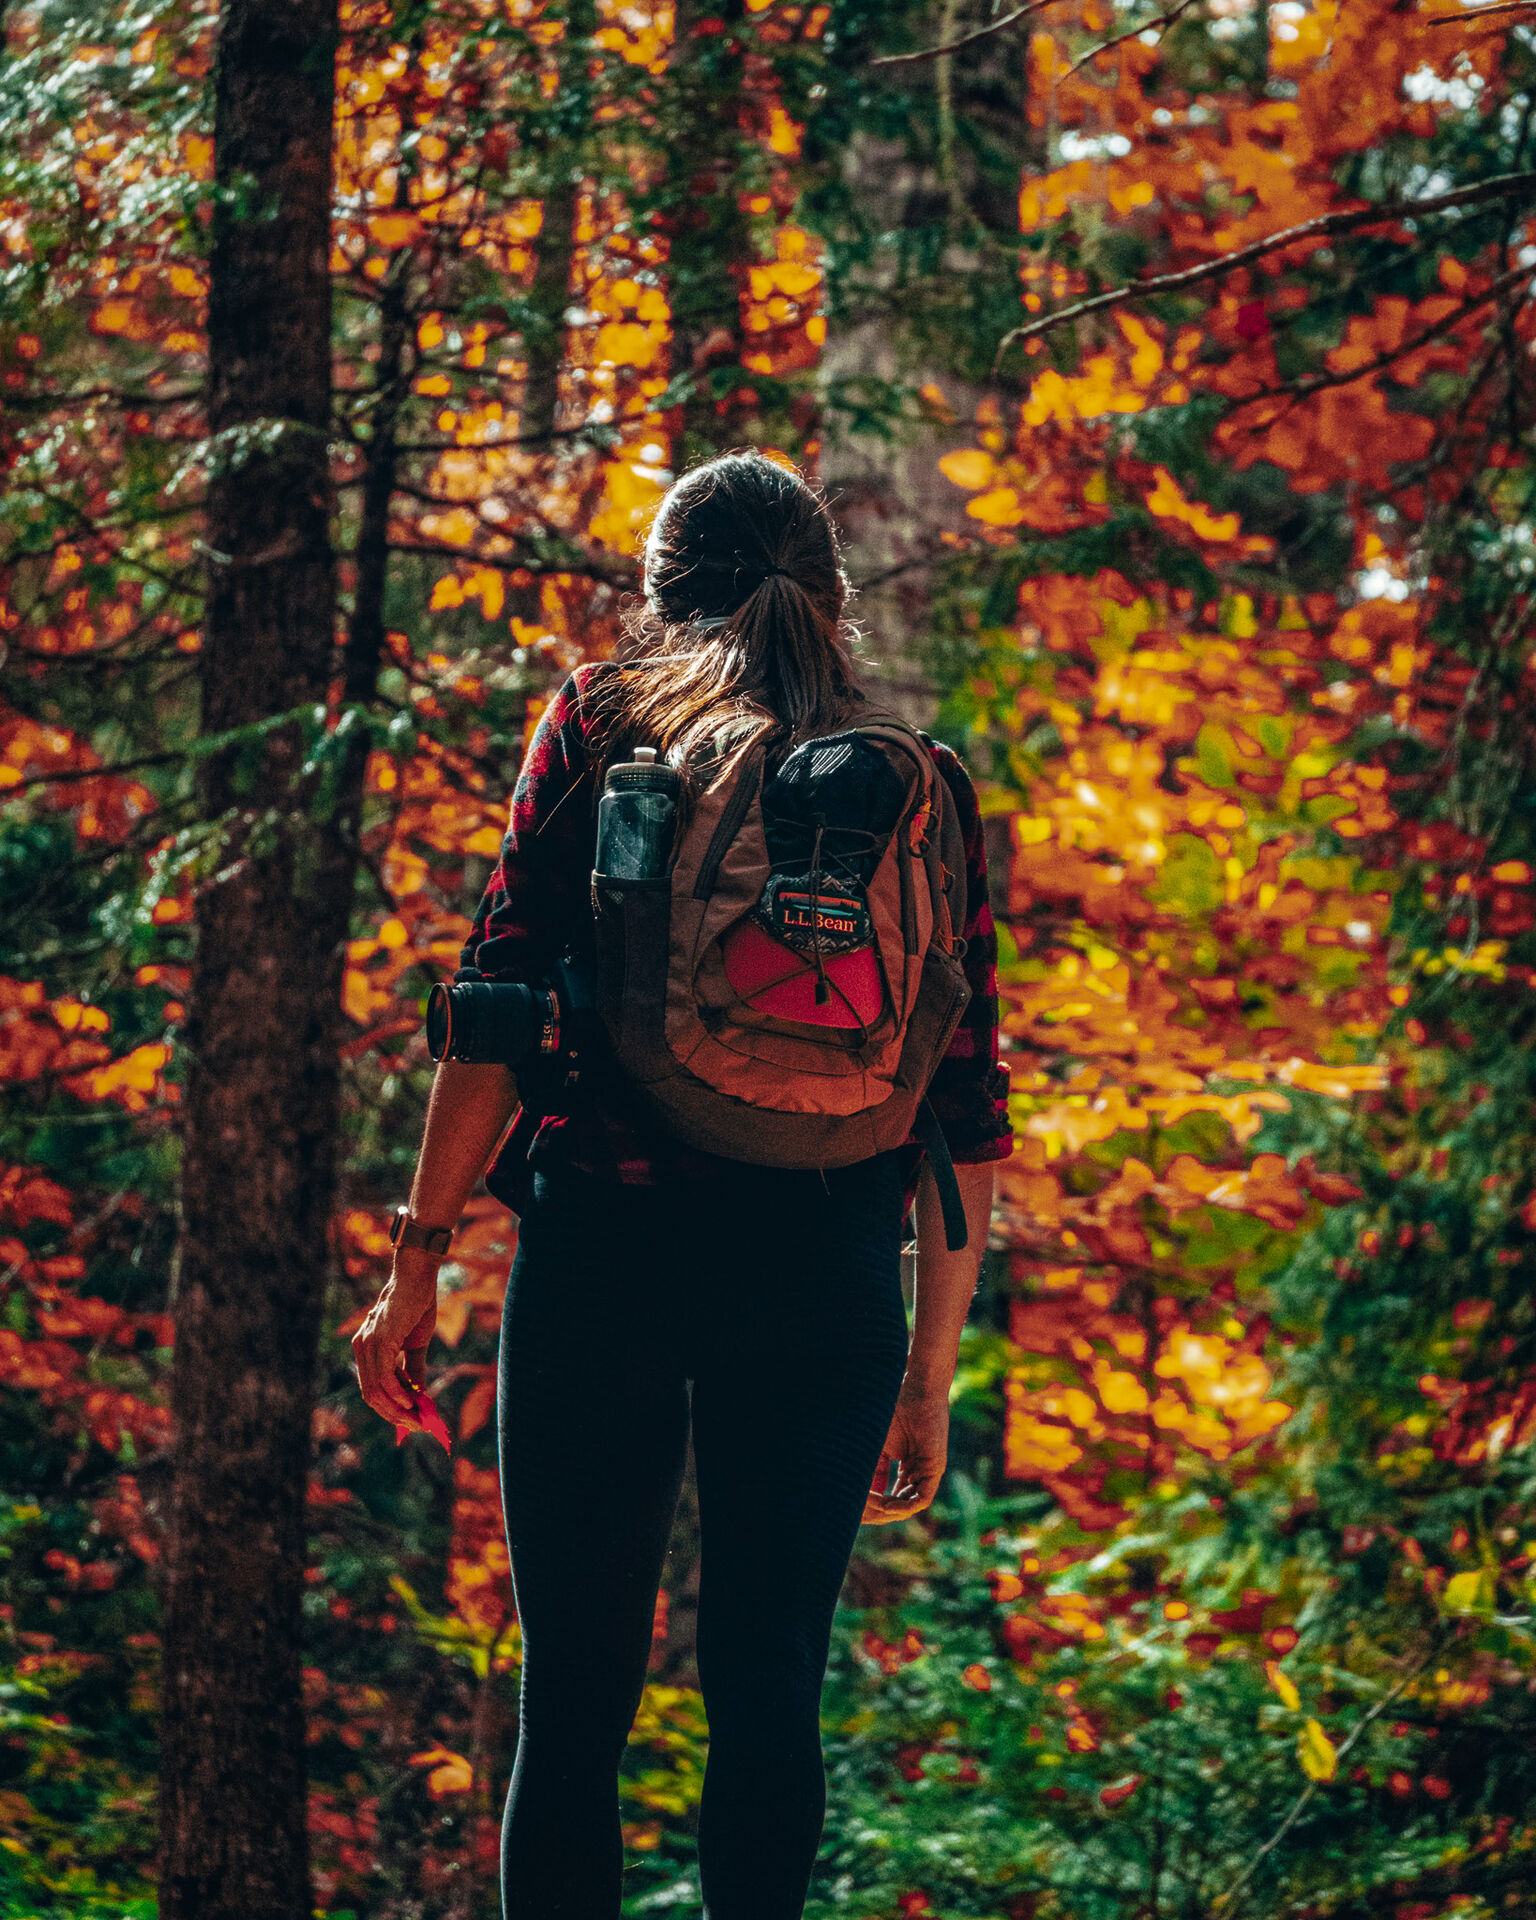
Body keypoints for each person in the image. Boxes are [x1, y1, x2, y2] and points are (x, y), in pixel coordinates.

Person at [351, 451, 1012, 1919]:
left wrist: (420, 1256)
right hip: (828, 1280)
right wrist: (927, 1372)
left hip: (609, 1259)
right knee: (768, 1694)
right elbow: (963, 1114)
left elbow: (500, 1007)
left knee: (575, 1707)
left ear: (660, 595)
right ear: (832, 603)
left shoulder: (601, 723)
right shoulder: (919, 788)